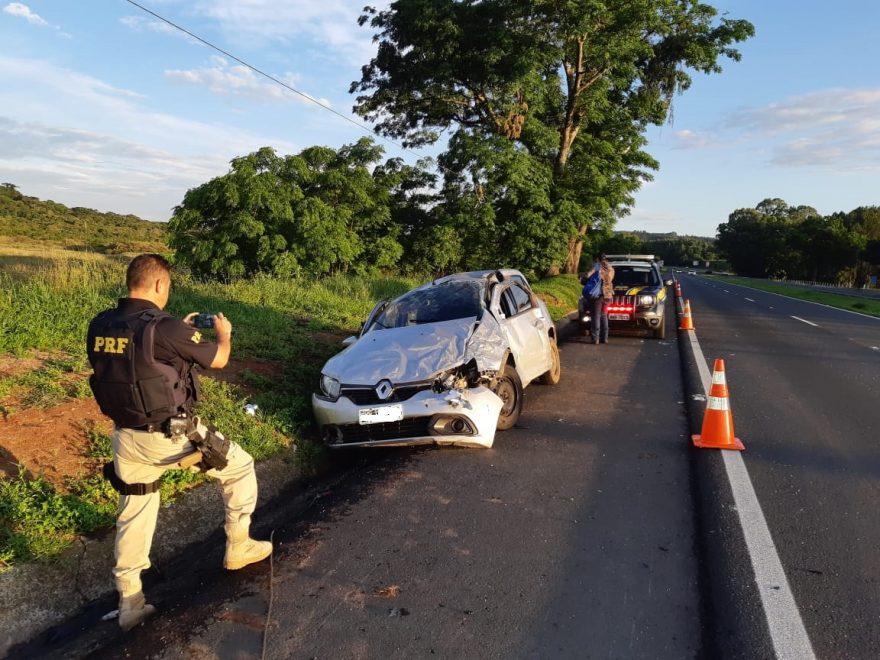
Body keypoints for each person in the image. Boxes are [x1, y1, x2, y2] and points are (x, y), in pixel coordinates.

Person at [86, 254, 272, 631]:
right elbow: (218, 359)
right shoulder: (165, 328)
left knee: (135, 511)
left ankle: (130, 601)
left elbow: (142, 359)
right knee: (240, 467)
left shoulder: (101, 323)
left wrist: (179, 331)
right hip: (171, 436)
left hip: (125, 437)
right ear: (158, 285)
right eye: (167, 287)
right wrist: (224, 333)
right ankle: (238, 545)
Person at [584, 253, 615, 344]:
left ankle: (595, 338)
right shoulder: (611, 268)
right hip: (608, 295)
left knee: (596, 316)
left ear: (598, 259)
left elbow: (587, 275)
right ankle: (604, 338)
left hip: (598, 295)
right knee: (604, 315)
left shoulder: (597, 267)